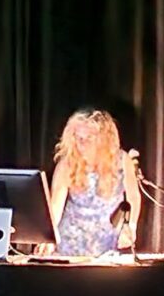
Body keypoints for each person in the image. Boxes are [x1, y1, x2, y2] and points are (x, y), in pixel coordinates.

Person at [47, 109, 140, 257]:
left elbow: (133, 198)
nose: (82, 144)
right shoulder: (67, 164)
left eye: (89, 138)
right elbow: (55, 207)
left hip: (107, 244)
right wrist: (48, 238)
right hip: (69, 244)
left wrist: (131, 227)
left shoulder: (122, 161)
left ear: (104, 139)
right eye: (78, 138)